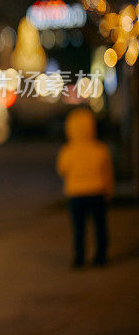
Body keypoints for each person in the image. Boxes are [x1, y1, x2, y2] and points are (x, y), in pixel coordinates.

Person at [56, 107, 114, 268]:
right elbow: (108, 172)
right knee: (99, 227)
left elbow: (62, 169)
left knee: (79, 228)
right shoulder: (100, 149)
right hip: (97, 192)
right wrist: (109, 190)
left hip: (76, 194)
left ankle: (79, 258)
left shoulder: (68, 151)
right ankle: (100, 257)